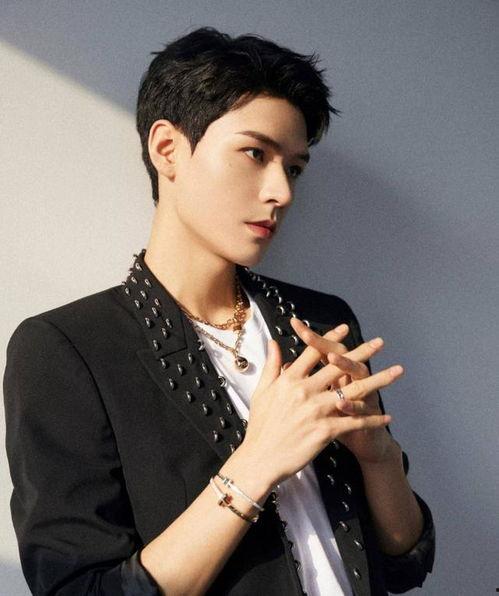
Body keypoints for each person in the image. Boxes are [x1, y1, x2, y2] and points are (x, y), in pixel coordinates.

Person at [3, 26, 435, 595]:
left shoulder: (320, 321)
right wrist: (257, 462)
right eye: (255, 153)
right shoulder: (67, 350)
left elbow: (404, 562)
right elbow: (79, 589)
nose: (282, 191)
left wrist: (379, 458)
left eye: (294, 168)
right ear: (167, 149)